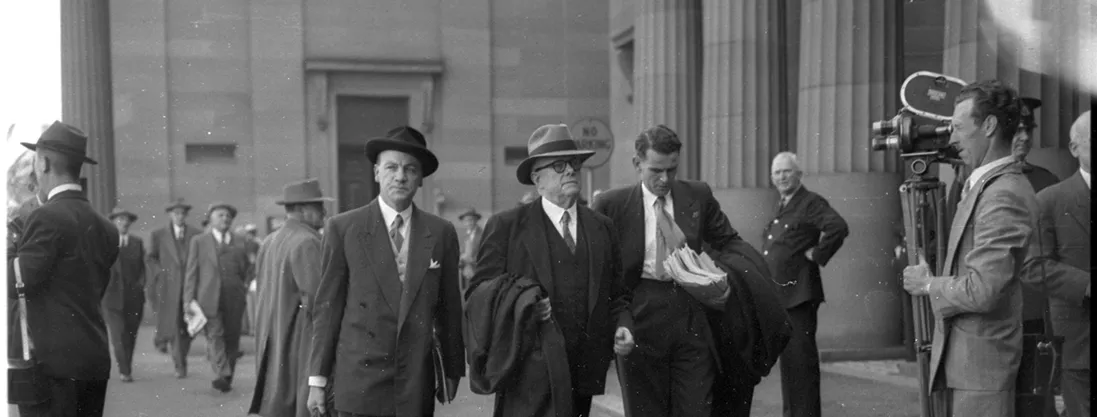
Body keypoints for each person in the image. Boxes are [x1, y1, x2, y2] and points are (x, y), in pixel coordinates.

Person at [592, 124, 764, 417]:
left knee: (697, 407)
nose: (664, 179)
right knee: (646, 410)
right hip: (639, 313)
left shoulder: (697, 194)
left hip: (690, 313)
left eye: (672, 170)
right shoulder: (611, 204)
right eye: (655, 170)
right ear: (637, 164)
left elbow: (728, 241)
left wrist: (726, 275)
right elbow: (600, 270)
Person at [466, 124, 633, 417]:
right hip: (527, 372)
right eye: (559, 165)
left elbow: (617, 294)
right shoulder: (508, 226)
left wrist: (623, 324)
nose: (570, 170)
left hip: (584, 369)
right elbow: (479, 293)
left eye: (574, 163)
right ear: (537, 178)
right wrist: (522, 302)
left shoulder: (601, 227)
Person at [306, 126, 464, 417]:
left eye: (410, 169)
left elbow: (450, 308)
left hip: (415, 381)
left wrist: (453, 370)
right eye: (391, 167)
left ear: (420, 180)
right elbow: (327, 309)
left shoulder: (440, 233)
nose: (400, 176)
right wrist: (317, 380)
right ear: (376, 172)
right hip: (359, 383)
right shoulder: (344, 228)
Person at [903, 80, 1037, 416]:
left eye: (960, 128)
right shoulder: (987, 185)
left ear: (989, 126)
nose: (951, 138)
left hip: (981, 373)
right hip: (970, 367)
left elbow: (983, 290)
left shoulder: (1002, 193)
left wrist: (928, 285)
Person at [7, 121, 120, 416]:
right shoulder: (107, 228)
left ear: (43, 163)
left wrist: (10, 241)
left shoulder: (45, 218)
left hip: (48, 368)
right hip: (93, 361)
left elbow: (14, 282)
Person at [763, 151, 849, 417]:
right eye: (777, 173)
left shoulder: (809, 202)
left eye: (787, 171)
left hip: (799, 295)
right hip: (784, 297)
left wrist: (818, 254)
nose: (781, 177)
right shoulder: (785, 203)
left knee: (801, 366)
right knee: (790, 365)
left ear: (799, 174)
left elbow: (838, 226)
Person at [1021, 110, 1091, 417]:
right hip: (1081, 341)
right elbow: (1033, 266)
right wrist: (1087, 285)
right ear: (1074, 149)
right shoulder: (1050, 199)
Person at [249, 178, 333, 417]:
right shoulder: (308, 242)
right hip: (300, 339)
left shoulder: (269, 241)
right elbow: (320, 302)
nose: (324, 213)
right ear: (303, 209)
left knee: (277, 397)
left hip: (272, 333)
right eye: (319, 207)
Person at [183, 202, 253, 392]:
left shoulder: (241, 241)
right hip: (208, 298)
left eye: (228, 216)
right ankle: (222, 373)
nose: (225, 218)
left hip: (234, 298)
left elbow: (249, 268)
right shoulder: (199, 241)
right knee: (215, 336)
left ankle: (226, 377)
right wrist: (188, 300)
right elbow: (191, 272)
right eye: (220, 215)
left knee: (232, 338)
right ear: (211, 219)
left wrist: (243, 285)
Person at [1012, 97, 1061, 336]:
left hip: (1035, 305)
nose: (1025, 137)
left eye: (1028, 130)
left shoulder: (1047, 181)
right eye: (1017, 130)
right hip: (992, 305)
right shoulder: (973, 180)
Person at [147, 198, 201, 366]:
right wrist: (160, 274)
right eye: (176, 213)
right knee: (176, 325)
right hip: (169, 287)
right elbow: (151, 258)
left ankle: (181, 354)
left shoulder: (196, 234)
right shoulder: (159, 235)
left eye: (182, 214)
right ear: (170, 215)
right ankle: (180, 364)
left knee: (191, 326)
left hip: (190, 287)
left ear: (186, 215)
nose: (179, 216)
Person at [102, 207, 147, 383]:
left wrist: (141, 284)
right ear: (113, 222)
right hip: (111, 298)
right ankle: (124, 370)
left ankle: (127, 365)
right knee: (118, 335)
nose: (124, 223)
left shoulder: (137, 242)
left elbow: (143, 268)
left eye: (126, 220)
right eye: (120, 220)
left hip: (134, 298)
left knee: (130, 335)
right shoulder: (105, 243)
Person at [458, 207, 484, 292]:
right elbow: (461, 252)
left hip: (478, 270)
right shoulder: (464, 235)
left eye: (471, 220)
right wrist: (462, 259)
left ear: (476, 220)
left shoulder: (482, 235)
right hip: (465, 271)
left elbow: (485, 253)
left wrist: (471, 261)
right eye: (466, 221)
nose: (469, 223)